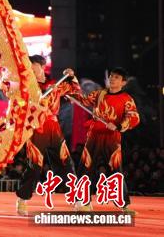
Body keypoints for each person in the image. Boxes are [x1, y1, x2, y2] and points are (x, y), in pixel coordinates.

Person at [15, 56, 81, 215]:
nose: (31, 68)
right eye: (29, 66)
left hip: (53, 127)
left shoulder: (55, 84)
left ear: (43, 67)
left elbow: (75, 90)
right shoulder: (27, 87)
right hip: (36, 128)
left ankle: (78, 199)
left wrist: (72, 76)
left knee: (66, 163)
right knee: (35, 165)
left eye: (34, 65)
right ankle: (22, 199)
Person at [71, 67, 140, 215]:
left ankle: (124, 204)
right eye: (111, 76)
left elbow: (134, 117)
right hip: (94, 136)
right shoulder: (99, 94)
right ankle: (82, 202)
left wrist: (119, 126)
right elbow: (82, 100)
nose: (112, 79)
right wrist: (72, 82)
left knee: (116, 170)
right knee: (85, 167)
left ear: (123, 82)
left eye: (116, 77)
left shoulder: (127, 99)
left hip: (112, 137)